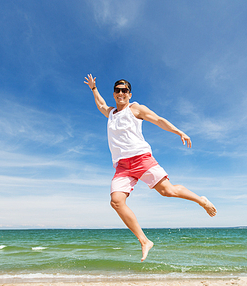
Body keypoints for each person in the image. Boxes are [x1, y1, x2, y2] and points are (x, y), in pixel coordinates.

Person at [84, 74, 217, 262]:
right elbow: (100, 105)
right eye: (117, 90)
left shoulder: (135, 108)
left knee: (167, 191)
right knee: (116, 201)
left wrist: (179, 131)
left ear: (129, 94)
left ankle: (201, 200)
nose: (120, 93)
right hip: (122, 165)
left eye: (124, 90)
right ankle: (144, 241)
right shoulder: (111, 113)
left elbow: (158, 119)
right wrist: (94, 89)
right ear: (114, 94)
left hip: (140, 158)